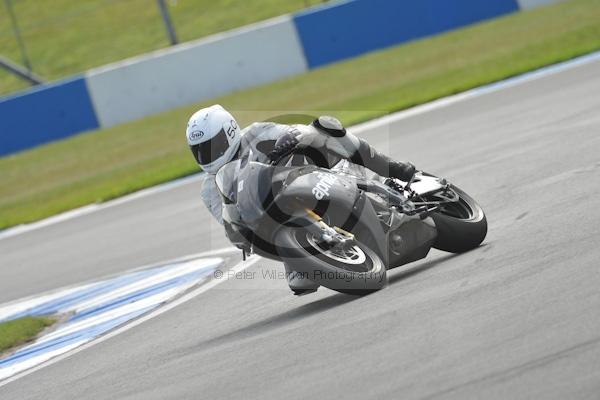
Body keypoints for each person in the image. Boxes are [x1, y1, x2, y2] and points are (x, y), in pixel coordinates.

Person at [186, 104, 416, 295]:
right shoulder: (210, 189)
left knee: (325, 129)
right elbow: (229, 220)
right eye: (199, 151)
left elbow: (302, 133)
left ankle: (391, 169)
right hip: (278, 218)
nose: (207, 156)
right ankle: (338, 247)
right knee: (301, 282)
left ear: (229, 132)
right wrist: (241, 235)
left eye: (211, 147)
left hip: (312, 178)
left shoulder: (257, 134)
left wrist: (293, 137)